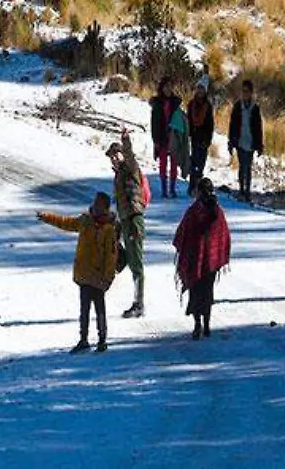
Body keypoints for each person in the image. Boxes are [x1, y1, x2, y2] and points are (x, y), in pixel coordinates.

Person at [37, 191, 120, 353]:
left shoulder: (109, 229)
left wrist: (108, 278)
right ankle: (83, 339)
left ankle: (102, 340)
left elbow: (111, 256)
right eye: (95, 203)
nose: (95, 206)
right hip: (84, 274)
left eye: (98, 204)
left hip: (99, 277)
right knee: (84, 310)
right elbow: (65, 222)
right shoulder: (85, 221)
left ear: (105, 208)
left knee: (100, 309)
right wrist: (47, 217)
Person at [174, 177, 231, 339]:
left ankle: (197, 324)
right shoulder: (218, 212)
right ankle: (206, 325)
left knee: (195, 292)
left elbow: (182, 234)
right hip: (211, 262)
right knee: (207, 292)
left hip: (194, 259)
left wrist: (182, 250)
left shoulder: (193, 211)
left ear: (198, 191)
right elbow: (224, 237)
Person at [112, 131, 147, 317]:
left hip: (134, 219)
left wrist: (125, 140)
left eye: (116, 155)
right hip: (126, 220)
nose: (114, 159)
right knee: (131, 261)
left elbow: (130, 154)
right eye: (111, 157)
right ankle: (137, 302)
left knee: (137, 264)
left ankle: (139, 304)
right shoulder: (117, 176)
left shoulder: (131, 168)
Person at [228, 80, 264, 202]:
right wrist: (231, 141)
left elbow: (259, 127)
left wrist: (259, 145)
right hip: (239, 140)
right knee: (242, 166)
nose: (245, 94)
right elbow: (232, 125)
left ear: (251, 92)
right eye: (243, 91)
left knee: (247, 166)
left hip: (250, 141)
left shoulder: (255, 108)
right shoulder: (237, 106)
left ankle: (247, 191)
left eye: (247, 91)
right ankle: (241, 190)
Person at [151, 80, 182, 197]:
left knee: (174, 163)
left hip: (173, 136)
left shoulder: (176, 102)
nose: (168, 89)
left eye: (170, 86)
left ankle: (172, 188)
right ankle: (164, 188)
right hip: (161, 136)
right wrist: (155, 140)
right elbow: (154, 123)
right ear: (162, 88)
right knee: (163, 163)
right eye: (166, 87)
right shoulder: (157, 103)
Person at [186, 83, 216, 185]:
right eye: (198, 88)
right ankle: (192, 185)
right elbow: (188, 120)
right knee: (193, 162)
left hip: (204, 137)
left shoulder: (208, 105)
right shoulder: (191, 104)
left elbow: (210, 124)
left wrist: (208, 139)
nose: (200, 91)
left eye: (202, 89)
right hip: (194, 136)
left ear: (205, 91)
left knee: (201, 163)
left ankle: (198, 186)